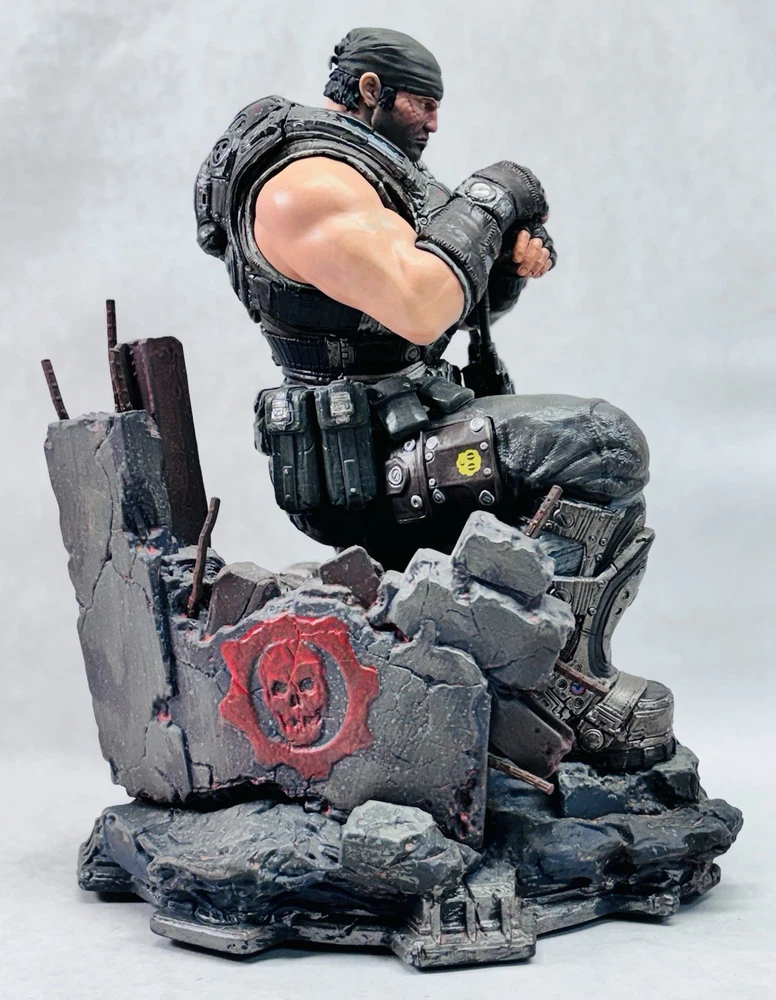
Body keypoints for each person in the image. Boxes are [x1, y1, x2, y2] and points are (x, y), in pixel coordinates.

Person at [194, 26, 675, 775]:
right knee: (606, 445)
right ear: (370, 90)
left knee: (591, 475)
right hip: (365, 466)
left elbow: (440, 308)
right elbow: (421, 303)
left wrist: (502, 268)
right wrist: (494, 194)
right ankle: (552, 687)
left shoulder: (366, 170)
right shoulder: (304, 186)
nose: (434, 122)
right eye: (422, 104)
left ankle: (538, 669)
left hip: (412, 425)